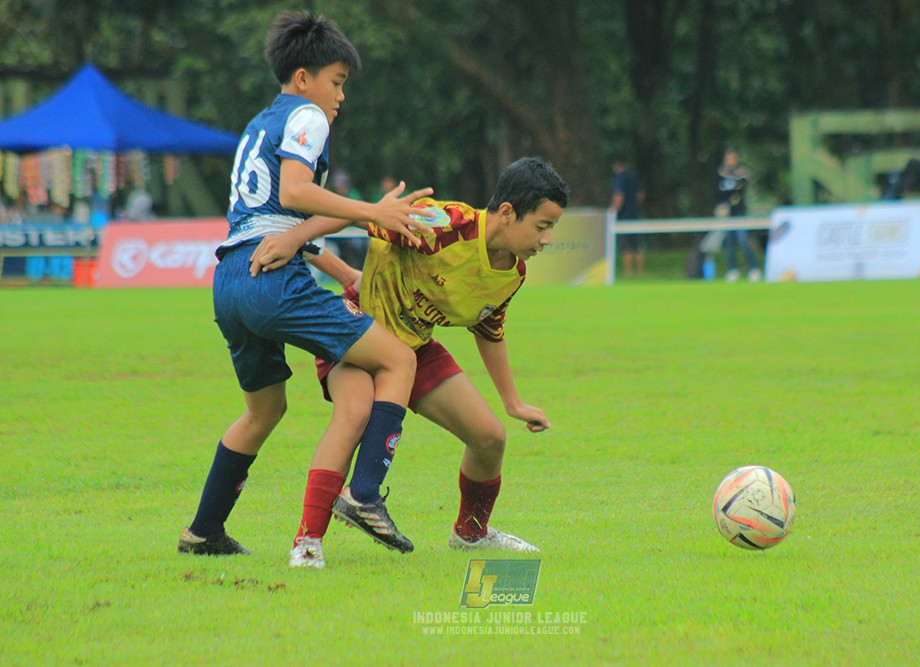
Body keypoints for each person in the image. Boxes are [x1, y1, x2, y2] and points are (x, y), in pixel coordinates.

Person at [176, 9, 434, 558]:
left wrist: (344, 272)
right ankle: (364, 495)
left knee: (264, 411)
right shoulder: (308, 116)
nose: (340, 96)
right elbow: (296, 194)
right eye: (336, 82)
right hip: (273, 284)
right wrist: (373, 212)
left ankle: (203, 532)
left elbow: (279, 224)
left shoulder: (260, 124)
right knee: (398, 361)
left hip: (230, 280)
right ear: (303, 78)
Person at [257, 157, 569, 567]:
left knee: (490, 437)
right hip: (357, 331)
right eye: (542, 226)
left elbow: (490, 329)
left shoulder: (512, 272)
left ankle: (471, 535)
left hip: (415, 347)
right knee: (354, 414)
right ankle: (308, 541)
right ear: (508, 213)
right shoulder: (443, 225)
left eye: (551, 229)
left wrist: (512, 403)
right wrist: (295, 238)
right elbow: (356, 218)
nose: (546, 239)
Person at [716, 148, 761, 283]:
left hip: (740, 214)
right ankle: (732, 270)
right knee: (729, 243)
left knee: (743, 241)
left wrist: (734, 190)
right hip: (726, 215)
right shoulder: (720, 174)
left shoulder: (742, 174)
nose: (731, 161)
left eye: (733, 158)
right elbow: (718, 192)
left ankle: (753, 269)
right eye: (728, 158)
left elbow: (741, 188)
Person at [611, 155, 645, 277]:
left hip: (624, 216)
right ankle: (640, 273)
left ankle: (629, 273)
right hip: (635, 214)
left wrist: (613, 211)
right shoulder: (632, 176)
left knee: (627, 247)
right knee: (638, 245)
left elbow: (619, 196)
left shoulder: (619, 178)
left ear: (616, 165)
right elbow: (640, 195)